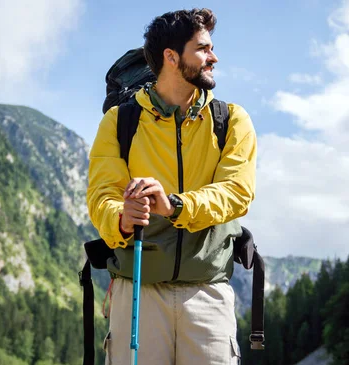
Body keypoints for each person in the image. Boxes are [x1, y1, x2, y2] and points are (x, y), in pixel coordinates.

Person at [86, 8, 257, 365]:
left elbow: (236, 192)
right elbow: (102, 195)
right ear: (171, 56)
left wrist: (174, 206)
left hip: (208, 290)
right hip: (137, 291)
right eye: (203, 48)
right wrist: (122, 217)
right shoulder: (119, 122)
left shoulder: (231, 121)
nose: (214, 57)